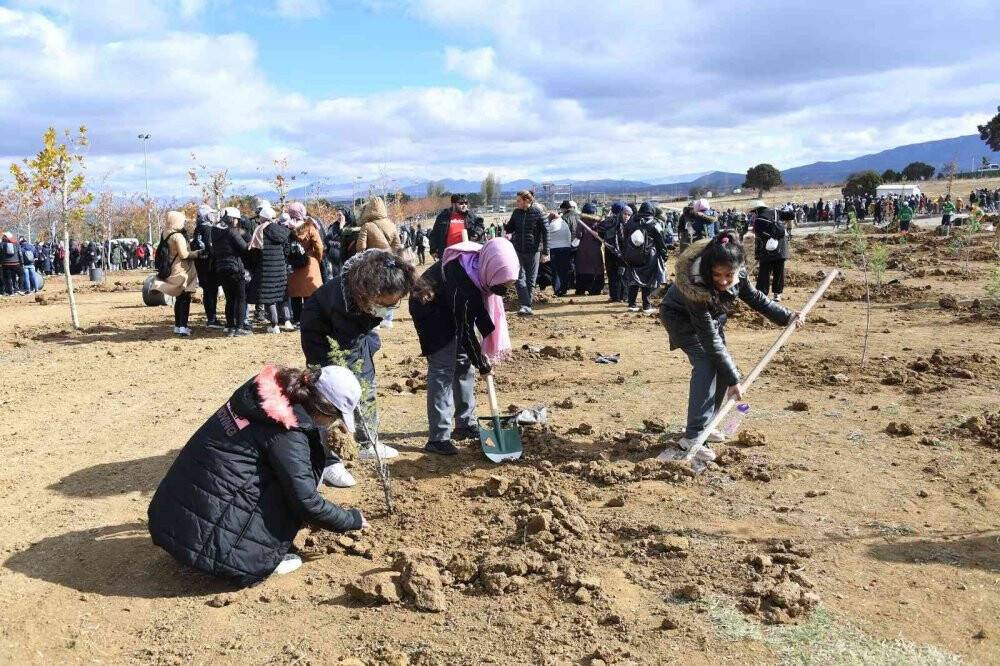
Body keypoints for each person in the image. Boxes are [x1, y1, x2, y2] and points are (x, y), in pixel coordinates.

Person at [147, 364, 367, 585]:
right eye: (335, 416)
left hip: (171, 518)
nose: (333, 423)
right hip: (208, 546)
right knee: (288, 487)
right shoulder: (287, 430)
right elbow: (307, 502)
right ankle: (252, 556)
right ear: (323, 408)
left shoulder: (266, 393)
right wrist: (352, 520)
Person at [658, 231, 802, 463]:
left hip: (712, 320)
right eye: (716, 275)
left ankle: (708, 424)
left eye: (728, 275)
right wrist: (734, 379)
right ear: (708, 269)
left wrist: (786, 316)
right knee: (707, 363)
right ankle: (693, 436)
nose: (723, 281)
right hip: (681, 319)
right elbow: (710, 341)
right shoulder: (695, 286)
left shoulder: (738, 273)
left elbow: (756, 298)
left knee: (723, 367)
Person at [300, 249, 419, 468]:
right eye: (383, 304)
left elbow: (361, 344)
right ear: (368, 293)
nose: (386, 310)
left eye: (391, 305)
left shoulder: (377, 281)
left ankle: (367, 443)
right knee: (329, 394)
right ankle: (328, 458)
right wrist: (355, 382)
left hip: (355, 334)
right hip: (322, 337)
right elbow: (349, 355)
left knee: (367, 386)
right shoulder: (342, 303)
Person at [410, 238, 519, 455]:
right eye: (501, 285)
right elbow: (466, 329)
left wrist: (477, 359)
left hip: (451, 304)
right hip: (429, 308)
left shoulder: (481, 267)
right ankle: (438, 438)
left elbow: (474, 317)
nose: (502, 291)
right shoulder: (465, 283)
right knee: (443, 369)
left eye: (507, 286)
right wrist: (482, 363)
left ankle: (465, 424)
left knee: (463, 363)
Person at [151, 211, 204, 336]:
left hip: (171, 269)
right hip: (181, 270)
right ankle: (183, 326)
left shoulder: (165, 233)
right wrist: (198, 253)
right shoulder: (178, 236)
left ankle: (177, 326)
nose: (183, 223)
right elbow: (184, 255)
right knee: (184, 298)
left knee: (178, 298)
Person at [248, 203, 292, 334]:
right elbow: (287, 249)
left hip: (265, 268)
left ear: (263, 218)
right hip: (281, 267)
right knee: (282, 294)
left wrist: (254, 266)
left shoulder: (259, 231)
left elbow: (254, 252)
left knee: (269, 297)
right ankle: (288, 321)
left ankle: (274, 324)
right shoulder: (282, 230)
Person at [505, 190, 548, 315]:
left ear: (526, 200)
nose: (516, 203)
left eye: (519, 201)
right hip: (518, 250)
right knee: (518, 278)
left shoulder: (538, 212)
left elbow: (546, 232)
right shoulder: (516, 213)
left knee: (531, 279)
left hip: (533, 250)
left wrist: (546, 251)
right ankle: (526, 305)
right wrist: (505, 224)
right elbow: (510, 229)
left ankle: (526, 305)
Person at [621, 201, 668, 313]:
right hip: (649, 256)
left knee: (633, 279)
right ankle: (646, 306)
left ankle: (632, 304)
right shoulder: (654, 223)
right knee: (648, 281)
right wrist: (664, 255)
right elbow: (660, 241)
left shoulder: (631, 222)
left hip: (632, 255)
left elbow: (625, 238)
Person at [211, 207, 251, 336]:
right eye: (236, 219)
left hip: (220, 268)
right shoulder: (232, 231)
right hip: (235, 267)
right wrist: (250, 241)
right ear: (232, 219)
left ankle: (230, 326)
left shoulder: (214, 231)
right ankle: (239, 328)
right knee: (241, 298)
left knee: (230, 299)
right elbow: (244, 248)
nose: (237, 222)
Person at [287, 202, 324, 326]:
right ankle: (309, 319)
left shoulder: (287, 227)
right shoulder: (310, 227)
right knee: (310, 293)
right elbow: (319, 245)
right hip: (310, 262)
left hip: (293, 263)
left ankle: (297, 319)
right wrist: (317, 258)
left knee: (295, 294)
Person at [191, 204, 223, 329]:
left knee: (207, 291)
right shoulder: (209, 229)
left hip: (200, 265)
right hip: (210, 266)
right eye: (210, 213)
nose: (212, 215)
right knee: (211, 292)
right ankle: (212, 319)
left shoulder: (197, 229)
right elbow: (211, 248)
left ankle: (211, 317)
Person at [752, 202, 791, 302]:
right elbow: (791, 215)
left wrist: (757, 255)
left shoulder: (758, 220)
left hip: (767, 250)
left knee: (764, 273)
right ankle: (777, 294)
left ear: (757, 210)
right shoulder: (776, 212)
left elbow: (759, 238)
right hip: (781, 248)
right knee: (779, 272)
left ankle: (762, 295)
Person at [573, 203, 606, 296]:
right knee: (596, 268)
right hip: (595, 248)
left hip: (583, 249)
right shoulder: (598, 222)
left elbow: (579, 235)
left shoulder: (581, 221)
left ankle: (581, 288)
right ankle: (595, 289)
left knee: (582, 268)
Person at [546, 201, 577, 296]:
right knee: (565, 269)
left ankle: (557, 289)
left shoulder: (554, 224)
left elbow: (546, 234)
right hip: (568, 247)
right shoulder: (566, 221)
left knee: (556, 270)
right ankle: (565, 287)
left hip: (554, 249)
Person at [599, 202, 628, 303]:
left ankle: (614, 296)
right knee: (623, 273)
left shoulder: (606, 222)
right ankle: (624, 296)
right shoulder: (624, 221)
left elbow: (600, 234)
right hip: (623, 251)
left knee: (612, 273)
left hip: (609, 250)